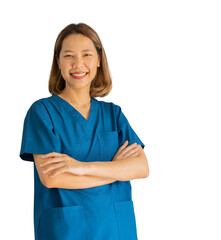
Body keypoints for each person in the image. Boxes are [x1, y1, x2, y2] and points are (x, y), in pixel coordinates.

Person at [19, 23, 149, 240]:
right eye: (69, 55)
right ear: (58, 62)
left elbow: (142, 167)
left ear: (99, 60)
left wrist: (80, 167)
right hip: (67, 230)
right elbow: (52, 178)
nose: (78, 64)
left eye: (86, 54)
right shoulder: (42, 113)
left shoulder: (113, 114)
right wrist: (116, 171)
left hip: (116, 228)